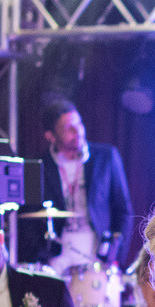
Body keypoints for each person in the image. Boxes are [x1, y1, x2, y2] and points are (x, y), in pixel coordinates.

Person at [19, 97, 134, 269]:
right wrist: (39, 256)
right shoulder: (38, 165)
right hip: (56, 252)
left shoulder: (106, 157)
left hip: (97, 249)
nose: (78, 131)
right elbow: (27, 217)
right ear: (50, 136)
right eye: (68, 128)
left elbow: (123, 210)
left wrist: (116, 256)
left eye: (79, 124)